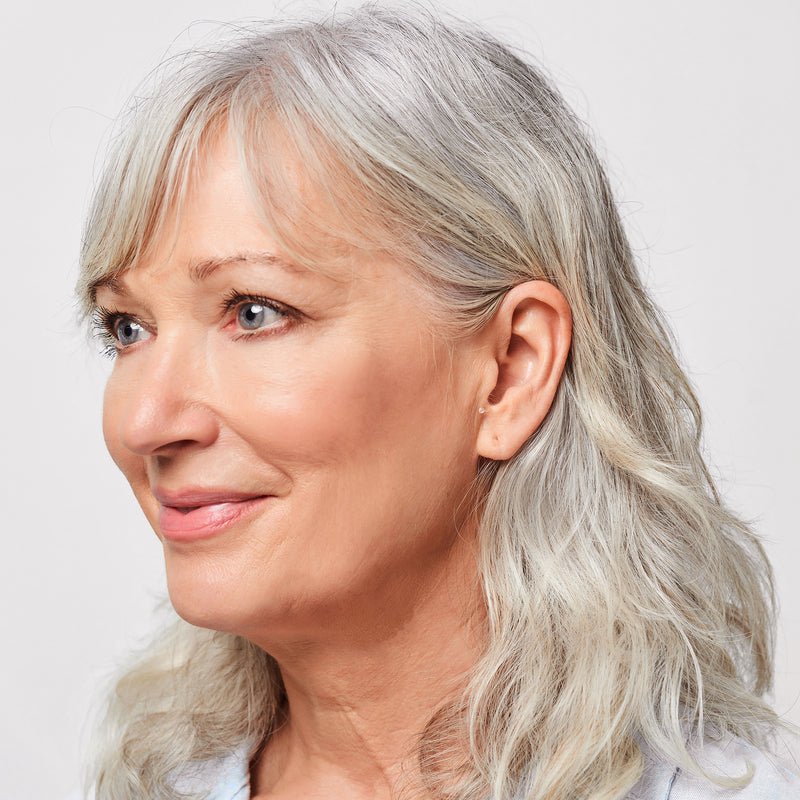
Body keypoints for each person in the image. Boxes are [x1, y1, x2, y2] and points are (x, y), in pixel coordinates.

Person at [78, 4, 798, 799]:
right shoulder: (147, 784)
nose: (145, 423)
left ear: (511, 370)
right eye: (127, 327)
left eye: (255, 311)